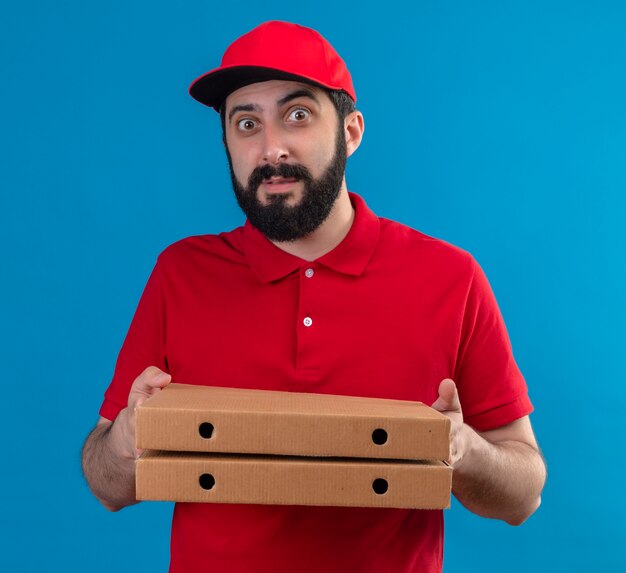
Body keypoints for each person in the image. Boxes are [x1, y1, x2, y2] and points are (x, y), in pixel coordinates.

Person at [82, 20, 546, 573]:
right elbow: (108, 485)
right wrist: (126, 439)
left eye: (297, 115)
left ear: (350, 132)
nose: (271, 147)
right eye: (246, 123)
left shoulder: (451, 277)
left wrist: (461, 448)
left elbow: (523, 497)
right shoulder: (182, 273)